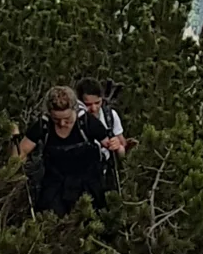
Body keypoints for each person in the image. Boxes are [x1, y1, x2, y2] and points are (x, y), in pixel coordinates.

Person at [14, 85, 123, 214]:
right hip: (55, 188)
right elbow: (20, 153)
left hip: (88, 187)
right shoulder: (43, 126)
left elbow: (117, 153)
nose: (62, 124)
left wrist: (117, 146)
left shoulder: (87, 123)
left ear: (74, 110)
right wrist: (13, 144)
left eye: (67, 119)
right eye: (56, 119)